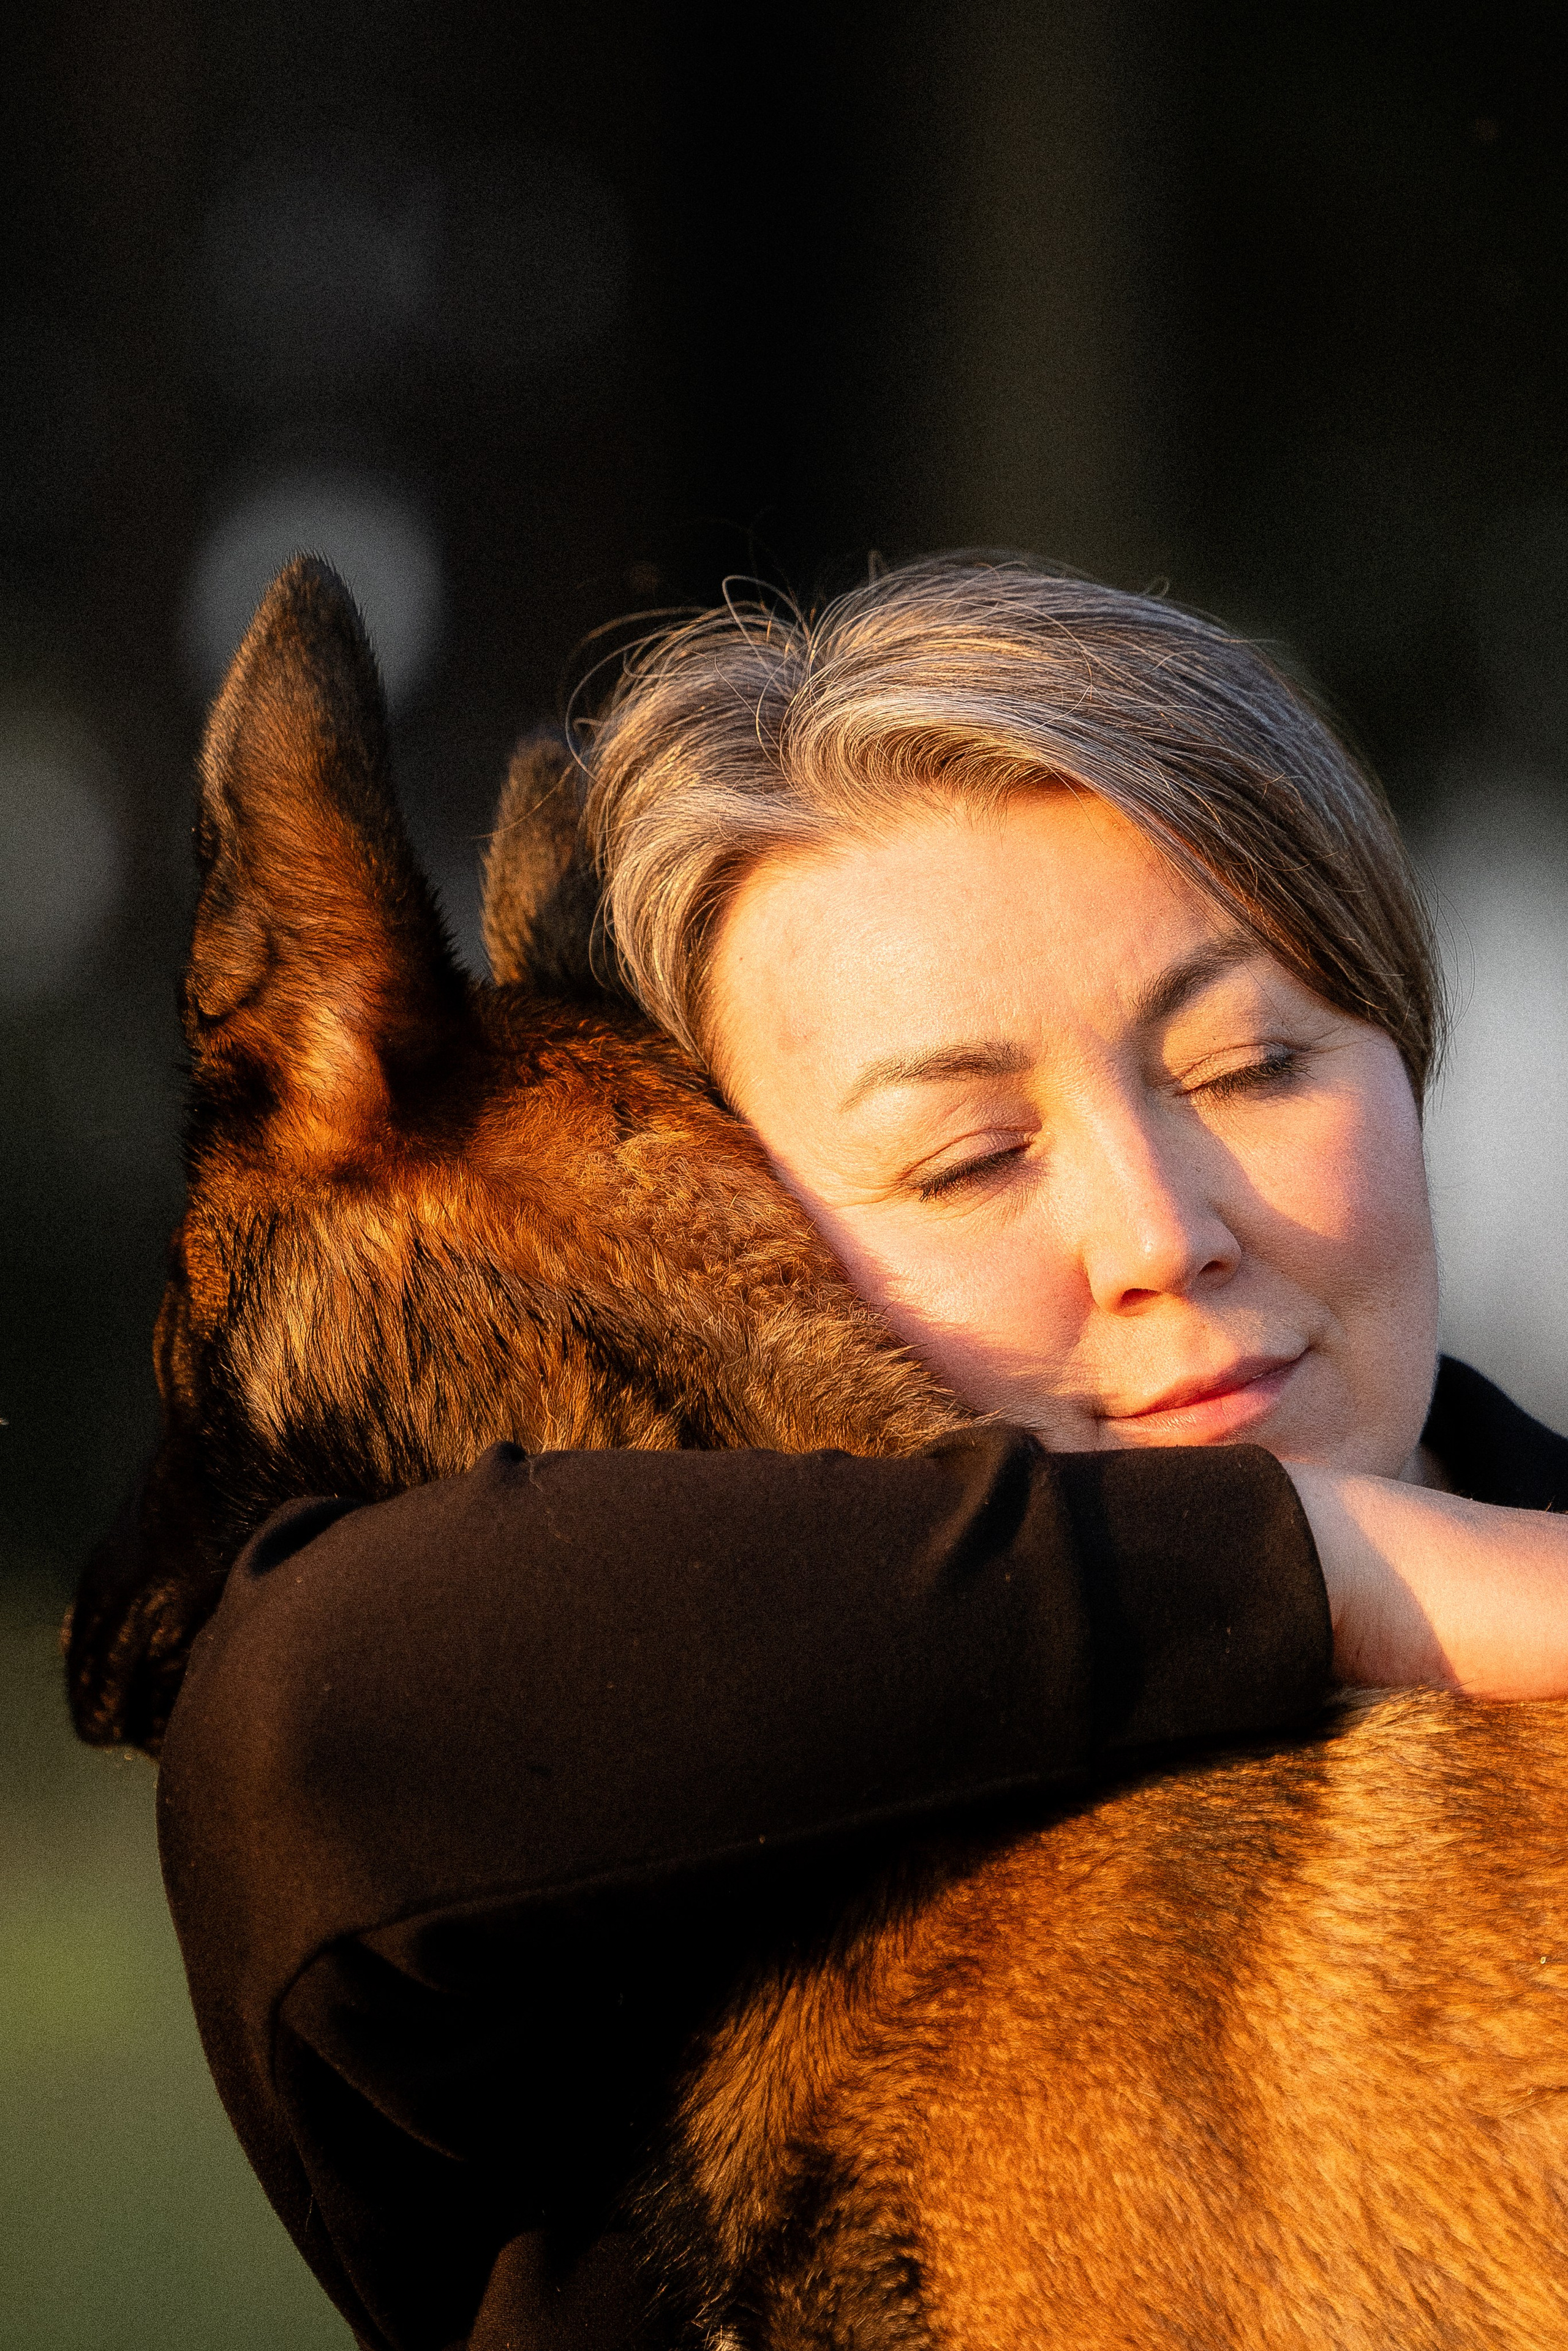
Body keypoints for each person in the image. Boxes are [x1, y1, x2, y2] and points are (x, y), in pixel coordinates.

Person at [149, 557, 1568, 2351]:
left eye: (1252, 1062)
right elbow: (303, 1710)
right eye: (970, 1160)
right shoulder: (607, 1886)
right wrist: (1333, 1563)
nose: (1159, 1232)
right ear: (753, 1236)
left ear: (1402, 1041)